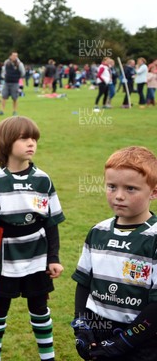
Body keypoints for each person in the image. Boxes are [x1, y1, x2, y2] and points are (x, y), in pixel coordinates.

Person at [0, 116, 65, 361]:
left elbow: (51, 222)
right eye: (24, 138)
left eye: (34, 138)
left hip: (37, 255)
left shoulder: (42, 179)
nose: (31, 143)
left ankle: (48, 356)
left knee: (39, 308)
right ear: (6, 142)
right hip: (5, 257)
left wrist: (53, 258)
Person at [71, 146, 157, 360]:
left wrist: (124, 341)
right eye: (112, 186)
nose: (119, 196)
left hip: (141, 340)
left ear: (153, 192)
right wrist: (81, 325)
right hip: (98, 332)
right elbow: (84, 282)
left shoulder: (153, 238)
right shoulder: (98, 232)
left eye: (130, 189)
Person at [0, 51, 25, 116]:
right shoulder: (6, 62)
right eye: (13, 55)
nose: (15, 57)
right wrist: (4, 76)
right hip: (7, 82)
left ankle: (15, 111)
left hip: (15, 83)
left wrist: (17, 77)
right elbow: (3, 71)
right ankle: (1, 110)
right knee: (4, 97)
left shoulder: (19, 64)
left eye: (16, 56)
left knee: (15, 98)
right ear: (10, 56)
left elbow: (23, 73)